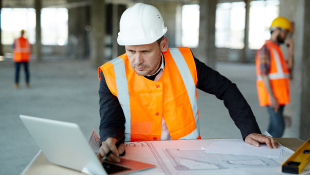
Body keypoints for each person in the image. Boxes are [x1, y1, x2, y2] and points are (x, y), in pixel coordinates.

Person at [97, 3, 279, 163]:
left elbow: (226, 89)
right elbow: (111, 120)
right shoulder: (112, 74)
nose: (137, 60)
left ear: (163, 45)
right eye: (130, 51)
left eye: (145, 51)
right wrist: (110, 139)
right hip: (138, 158)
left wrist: (250, 130)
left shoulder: (185, 62)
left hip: (187, 157)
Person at [256, 16, 294, 138]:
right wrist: (272, 96)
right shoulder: (266, 49)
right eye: (285, 32)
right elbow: (264, 74)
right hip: (272, 96)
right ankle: (267, 153)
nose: (286, 35)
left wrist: (290, 50)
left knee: (273, 126)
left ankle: (264, 150)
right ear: (276, 30)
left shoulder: (277, 49)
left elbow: (289, 70)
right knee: (278, 128)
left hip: (280, 95)